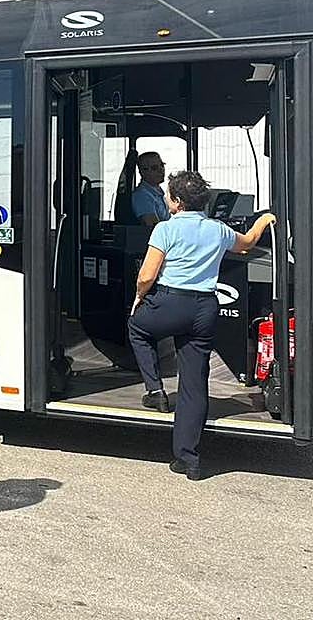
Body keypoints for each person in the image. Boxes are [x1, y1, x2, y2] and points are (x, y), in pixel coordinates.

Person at [128, 169, 275, 480]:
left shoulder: (165, 230)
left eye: (168, 195)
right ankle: (189, 459)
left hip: (170, 302)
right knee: (194, 384)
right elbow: (247, 243)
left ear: (178, 202)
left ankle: (154, 390)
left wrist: (139, 298)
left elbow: (146, 275)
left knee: (137, 328)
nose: (165, 198)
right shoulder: (217, 229)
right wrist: (264, 220)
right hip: (205, 308)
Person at [131, 152, 170, 228]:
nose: (161, 170)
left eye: (162, 165)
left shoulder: (158, 194)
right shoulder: (142, 196)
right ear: (143, 172)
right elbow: (153, 228)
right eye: (154, 168)